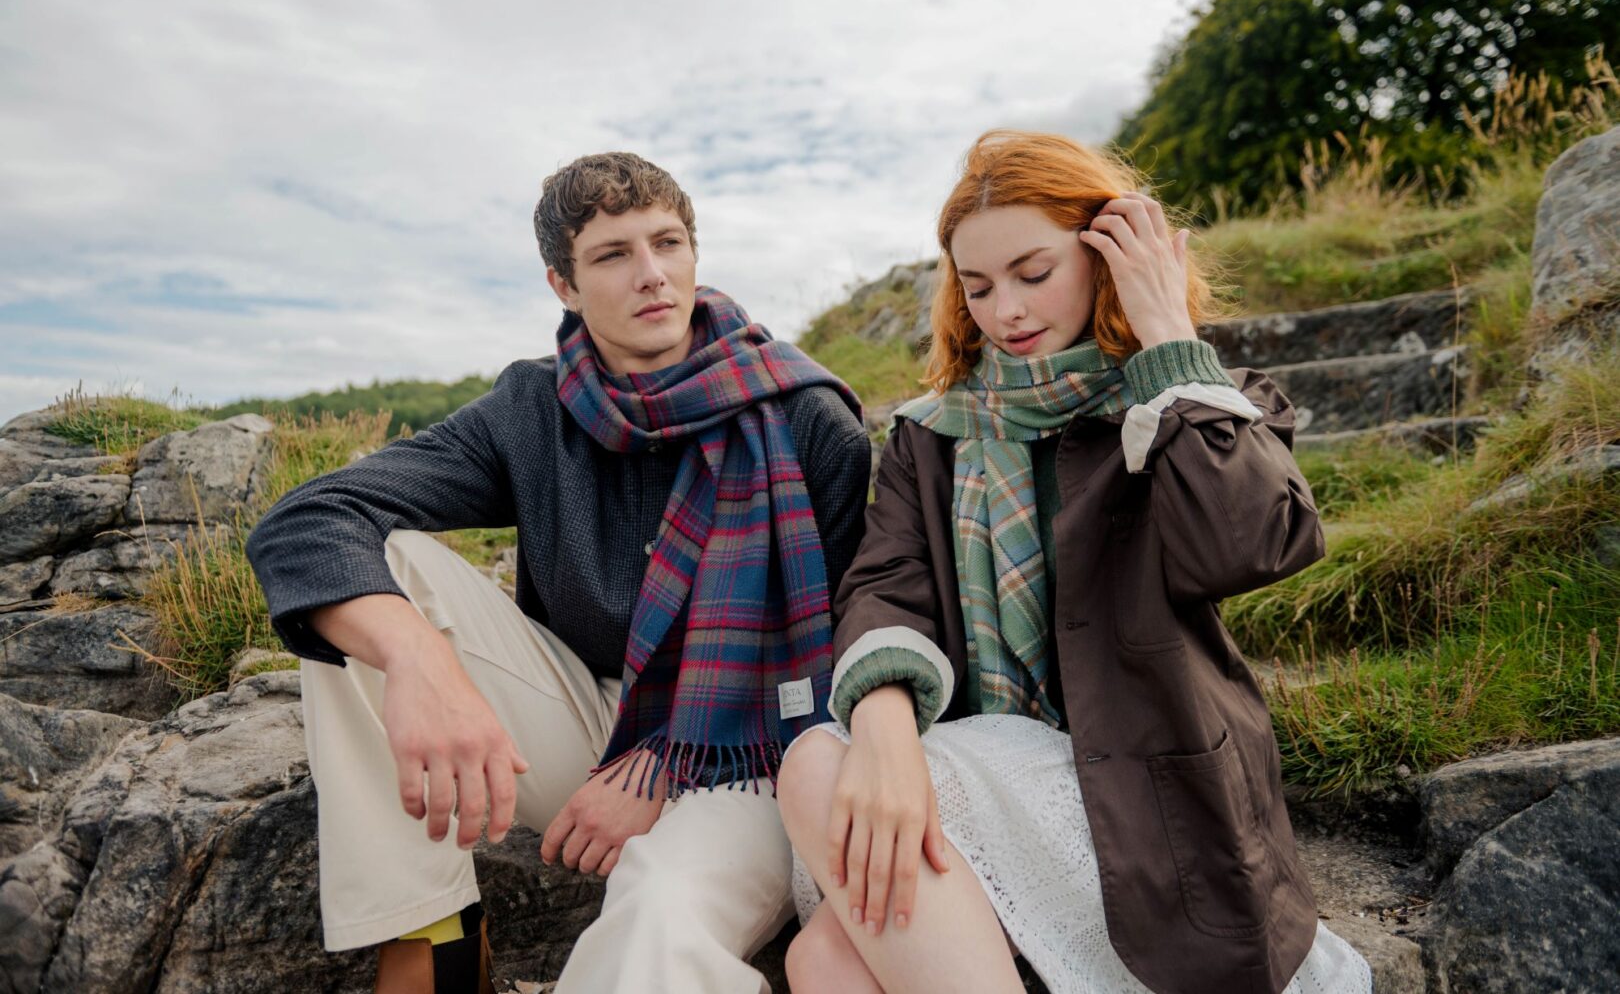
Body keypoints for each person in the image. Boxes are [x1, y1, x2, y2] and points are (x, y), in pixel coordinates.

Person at [245, 151, 871, 994]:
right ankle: (433, 940)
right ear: (564, 286)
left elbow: (834, 665)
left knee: (657, 917)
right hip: (589, 721)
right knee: (385, 569)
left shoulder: (809, 419)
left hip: (756, 752)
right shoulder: (533, 409)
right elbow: (307, 522)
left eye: (668, 243)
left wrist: (661, 768)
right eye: (614, 255)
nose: (652, 276)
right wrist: (420, 661)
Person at [773, 130, 1373, 994]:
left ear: (1104, 256)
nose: (1005, 310)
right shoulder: (929, 435)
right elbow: (885, 586)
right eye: (977, 287)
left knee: (818, 847)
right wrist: (886, 731)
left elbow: (1251, 546)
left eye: (1033, 272)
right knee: (820, 955)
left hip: (1140, 796)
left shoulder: (1193, 405)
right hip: (970, 784)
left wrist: (1166, 338)